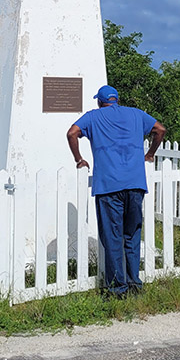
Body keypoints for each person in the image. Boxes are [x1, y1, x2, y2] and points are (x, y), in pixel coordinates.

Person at [67, 84, 166, 297]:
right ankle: (134, 284)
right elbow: (160, 129)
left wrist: (79, 159)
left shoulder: (93, 117)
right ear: (117, 99)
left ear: (100, 101)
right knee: (132, 235)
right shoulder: (136, 114)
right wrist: (150, 154)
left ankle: (117, 289)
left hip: (108, 186)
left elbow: (72, 133)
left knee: (112, 238)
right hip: (135, 184)